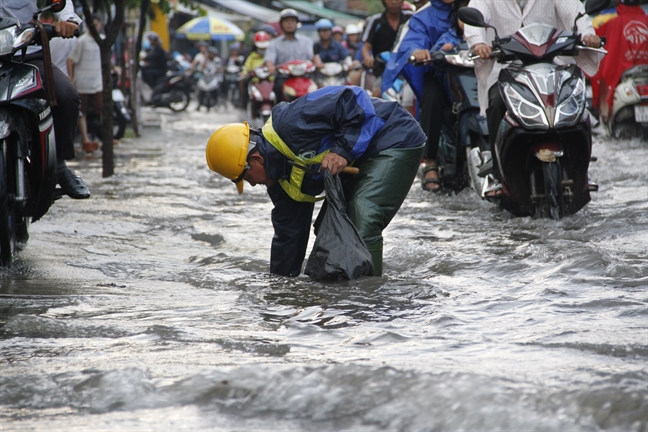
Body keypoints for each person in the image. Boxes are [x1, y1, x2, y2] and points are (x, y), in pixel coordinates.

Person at [205, 86, 426, 277]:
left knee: (363, 215)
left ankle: (367, 300)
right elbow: (289, 238)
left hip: (394, 136)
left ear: (256, 159)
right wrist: (280, 289)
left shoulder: (293, 122)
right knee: (328, 230)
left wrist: (343, 150)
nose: (251, 184)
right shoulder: (279, 182)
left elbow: (354, 97)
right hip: (359, 157)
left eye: (245, 177)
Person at [465, 0, 602, 198]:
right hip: (505, 70)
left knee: (578, 105)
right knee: (496, 105)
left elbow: (574, 12)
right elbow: (476, 17)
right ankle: (497, 174)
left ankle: (581, 171)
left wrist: (588, 34)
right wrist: (479, 43)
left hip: (552, 66)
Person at [0, 0, 90, 199]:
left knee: (66, 96)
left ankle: (59, 164)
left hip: (25, 53)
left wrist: (67, 20)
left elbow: (61, 4)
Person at [382, 0, 456, 192]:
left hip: (476, 72)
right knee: (431, 99)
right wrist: (418, 51)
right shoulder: (422, 17)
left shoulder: (478, 6)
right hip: (438, 73)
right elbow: (411, 42)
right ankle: (430, 159)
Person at [590, 0, 648, 119]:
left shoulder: (615, 23)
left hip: (623, 80)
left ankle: (605, 118)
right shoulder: (645, 20)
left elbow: (609, 61)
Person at [361, 0, 414, 96]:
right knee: (377, 93)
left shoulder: (411, 18)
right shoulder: (375, 21)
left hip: (409, 69)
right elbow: (366, 47)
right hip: (384, 70)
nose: (394, 2)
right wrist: (367, 58)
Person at [67, 16, 103, 153]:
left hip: (98, 83)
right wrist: (71, 79)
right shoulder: (81, 41)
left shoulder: (102, 41)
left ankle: (101, 137)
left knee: (100, 110)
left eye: (97, 24)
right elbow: (70, 60)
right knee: (82, 113)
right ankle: (86, 139)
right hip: (82, 82)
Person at [264, 8, 314, 103]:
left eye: (292, 21)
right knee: (277, 88)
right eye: (286, 21)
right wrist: (270, 67)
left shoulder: (307, 41)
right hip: (284, 77)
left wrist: (319, 64)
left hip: (304, 76)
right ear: (281, 24)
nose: (289, 23)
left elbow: (314, 57)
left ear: (297, 23)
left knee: (319, 89)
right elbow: (269, 60)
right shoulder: (274, 43)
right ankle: (280, 114)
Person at [240, 31, 272, 110]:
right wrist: (244, 74)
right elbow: (246, 67)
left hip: (270, 81)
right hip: (256, 81)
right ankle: (244, 106)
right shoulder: (252, 56)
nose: (262, 49)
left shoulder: (271, 55)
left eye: (264, 47)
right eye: (260, 47)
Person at [195, 46, 222, 112]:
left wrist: (220, 70)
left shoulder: (217, 60)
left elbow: (220, 68)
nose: (211, 55)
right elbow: (202, 67)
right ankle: (199, 104)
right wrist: (205, 59)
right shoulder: (205, 59)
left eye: (213, 54)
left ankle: (217, 102)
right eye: (210, 54)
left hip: (214, 77)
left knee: (219, 86)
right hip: (205, 77)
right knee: (200, 88)